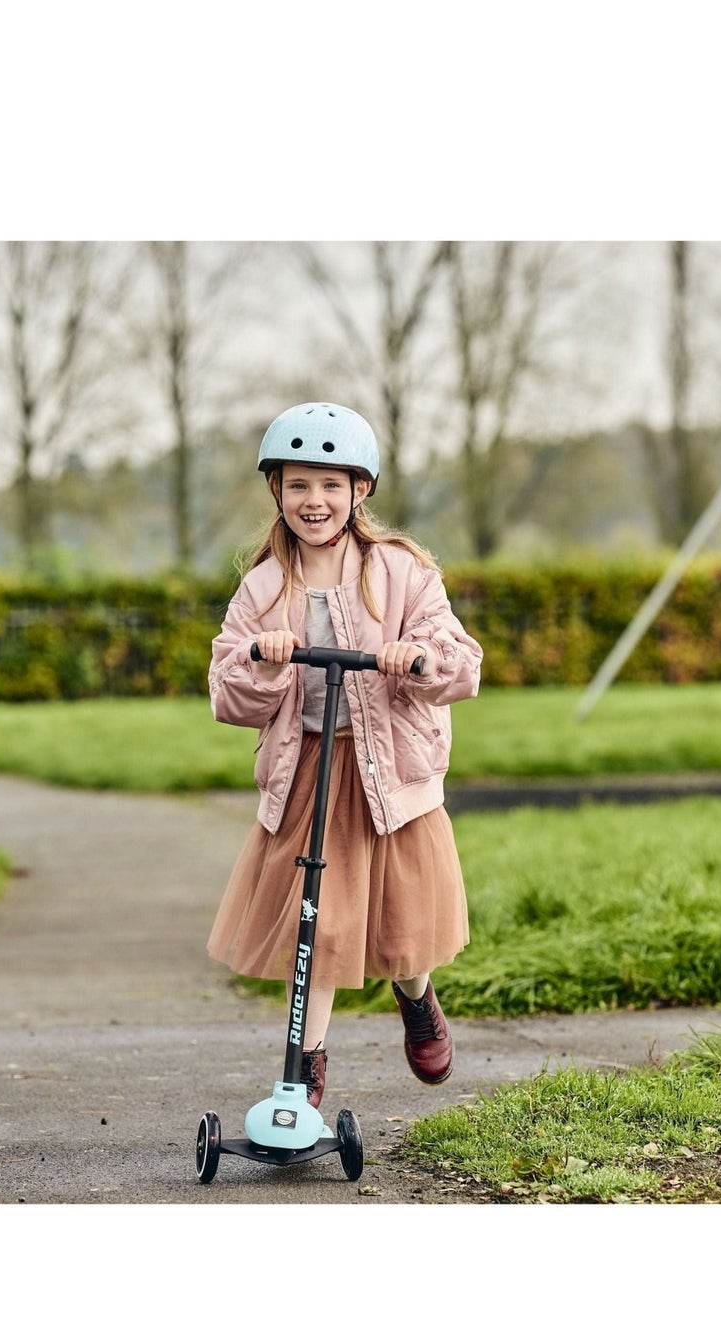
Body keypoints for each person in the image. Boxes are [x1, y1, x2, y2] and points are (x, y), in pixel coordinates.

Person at [207, 402, 483, 1108]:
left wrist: (416, 657)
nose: (314, 501)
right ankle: (303, 1070)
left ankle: (417, 999)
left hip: (388, 772)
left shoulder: (399, 570)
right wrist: (264, 662)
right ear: (277, 491)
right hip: (309, 774)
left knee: (404, 929)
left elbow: (460, 663)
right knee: (318, 923)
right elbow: (229, 692)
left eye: (331, 485)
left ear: (360, 491)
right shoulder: (264, 585)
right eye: (298, 485)